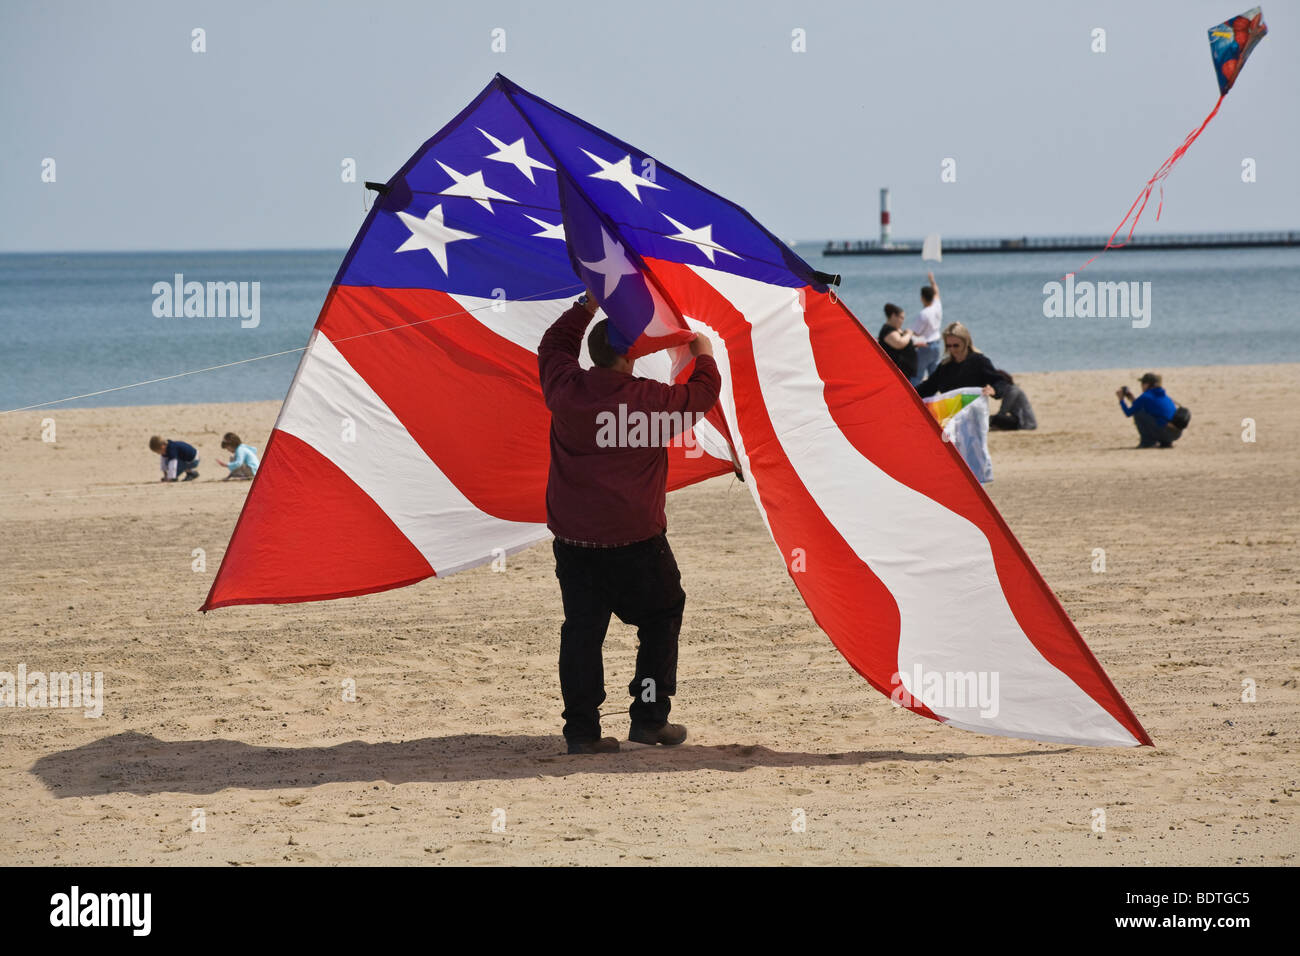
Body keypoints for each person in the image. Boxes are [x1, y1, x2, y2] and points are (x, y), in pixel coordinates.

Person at [539, 291, 721, 755]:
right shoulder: (652, 400)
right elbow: (702, 396)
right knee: (661, 617)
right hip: (636, 543)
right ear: (629, 358)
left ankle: (581, 733)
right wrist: (704, 355)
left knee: (582, 633)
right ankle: (648, 719)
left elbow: (553, 346)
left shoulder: (565, 389)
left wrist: (586, 304)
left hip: (576, 543)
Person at [915, 322, 1006, 401]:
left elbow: (1000, 382)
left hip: (974, 415)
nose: (952, 349)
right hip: (951, 416)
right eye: (948, 346)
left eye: (956, 345)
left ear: (966, 342)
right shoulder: (944, 366)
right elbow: (928, 387)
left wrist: (994, 390)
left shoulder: (979, 362)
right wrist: (908, 394)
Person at [1117, 372, 1182, 448]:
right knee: (1154, 415)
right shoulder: (1164, 395)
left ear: (1147, 384)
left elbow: (1128, 413)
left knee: (1138, 413)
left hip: (1166, 433)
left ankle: (1147, 442)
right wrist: (1132, 399)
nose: (1141, 386)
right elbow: (1150, 408)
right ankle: (1166, 443)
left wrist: (1121, 400)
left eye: (1142, 383)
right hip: (1176, 434)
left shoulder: (1146, 396)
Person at [908, 271, 943, 386]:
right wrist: (932, 280)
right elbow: (937, 291)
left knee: (917, 376)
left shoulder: (924, 313)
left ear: (922, 298)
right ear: (933, 297)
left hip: (925, 346)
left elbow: (916, 333)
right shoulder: (937, 306)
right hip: (937, 344)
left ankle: (913, 400)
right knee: (934, 376)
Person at [878, 303, 920, 381]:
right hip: (899, 374)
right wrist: (909, 334)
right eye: (901, 318)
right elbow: (899, 343)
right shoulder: (888, 330)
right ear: (893, 316)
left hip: (906, 372)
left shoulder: (895, 329)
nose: (902, 321)